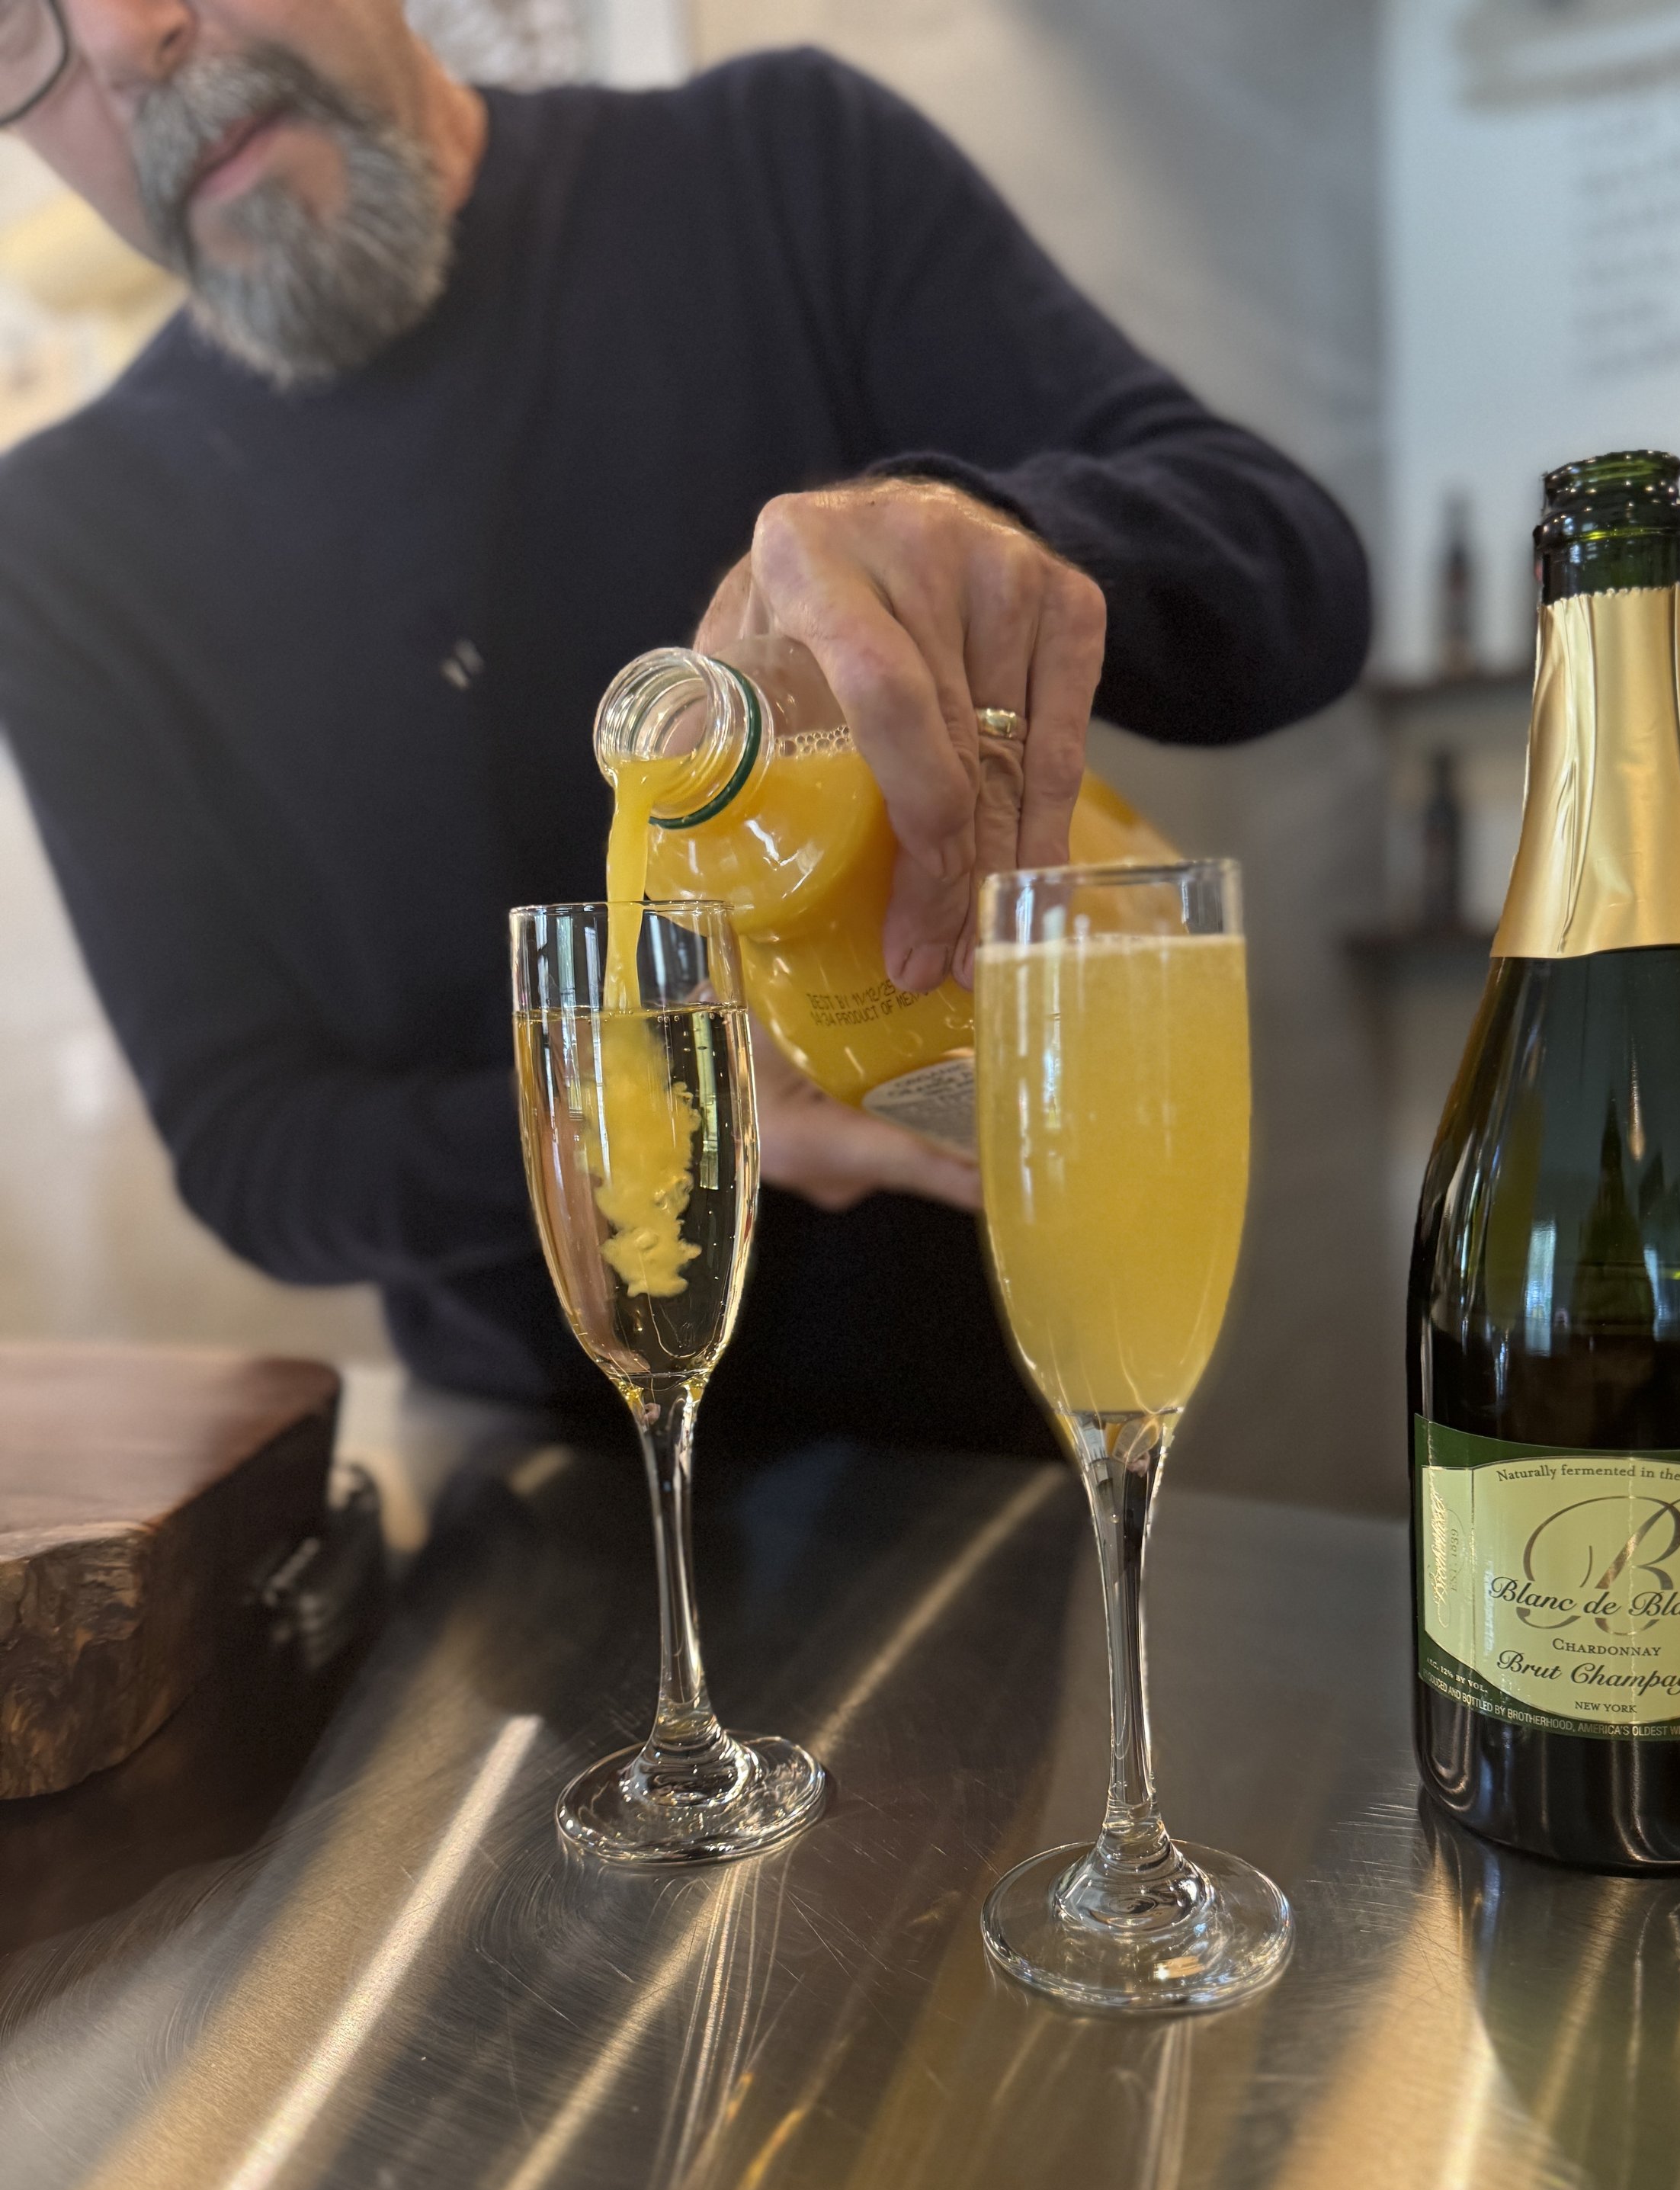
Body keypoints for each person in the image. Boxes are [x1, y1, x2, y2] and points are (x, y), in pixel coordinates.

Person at [0, 0, 1371, 1456]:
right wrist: (682, 1110)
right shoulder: (62, 552)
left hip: (967, 1445)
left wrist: (991, 542)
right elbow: (252, 1149)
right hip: (525, 1469)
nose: (136, 33)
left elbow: (1300, 581)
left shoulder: (778, 168)